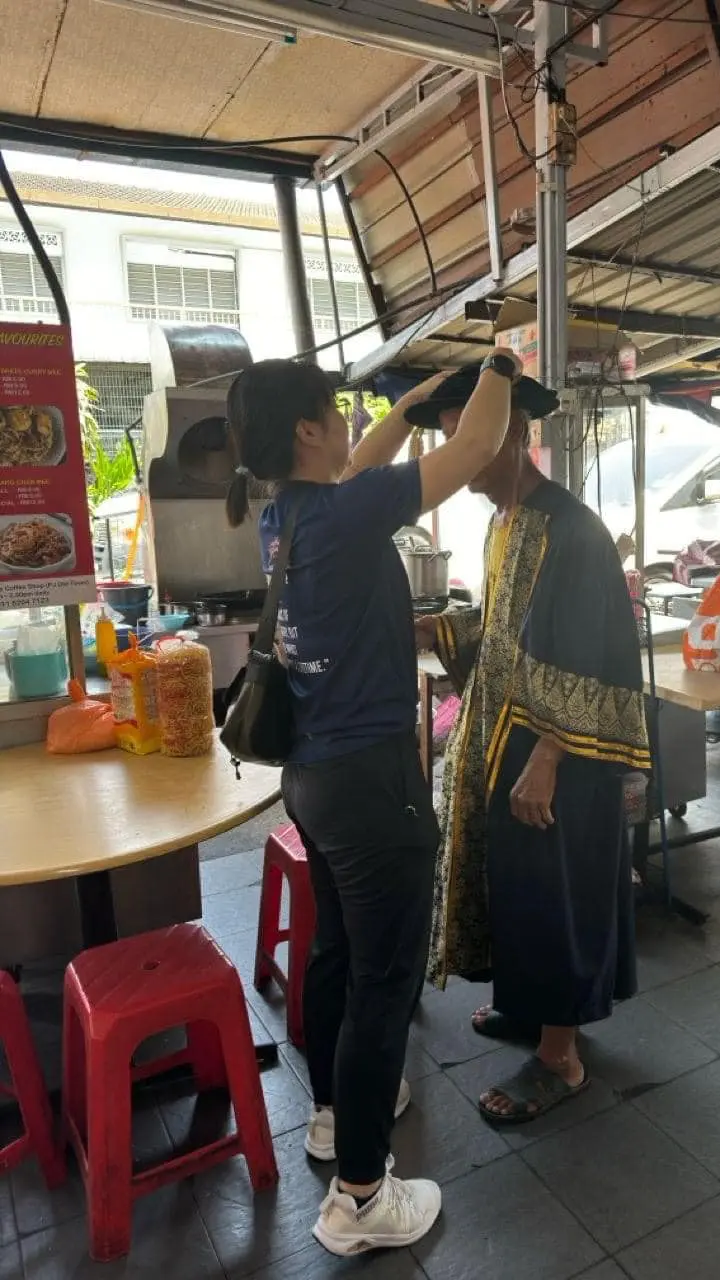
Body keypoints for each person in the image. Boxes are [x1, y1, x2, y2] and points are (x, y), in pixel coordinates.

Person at [224, 349, 522, 1254]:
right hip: (372, 785)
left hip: (312, 780)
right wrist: (502, 365)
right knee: (383, 989)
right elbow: (474, 449)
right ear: (310, 427)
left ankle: (328, 1116)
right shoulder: (345, 514)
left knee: (341, 949)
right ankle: (360, 1197)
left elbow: (357, 468)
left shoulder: (290, 516)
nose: (353, 422)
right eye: (338, 411)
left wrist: (407, 408)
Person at [412, 362, 650, 1125]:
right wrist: (436, 630)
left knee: (557, 895)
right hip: (501, 738)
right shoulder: (500, 522)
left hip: (560, 755)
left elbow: (598, 658)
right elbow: (501, 633)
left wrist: (548, 757)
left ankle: (561, 1055)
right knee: (517, 885)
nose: (455, 459)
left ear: (512, 434)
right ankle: (529, 1005)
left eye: (465, 441)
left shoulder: (572, 532)